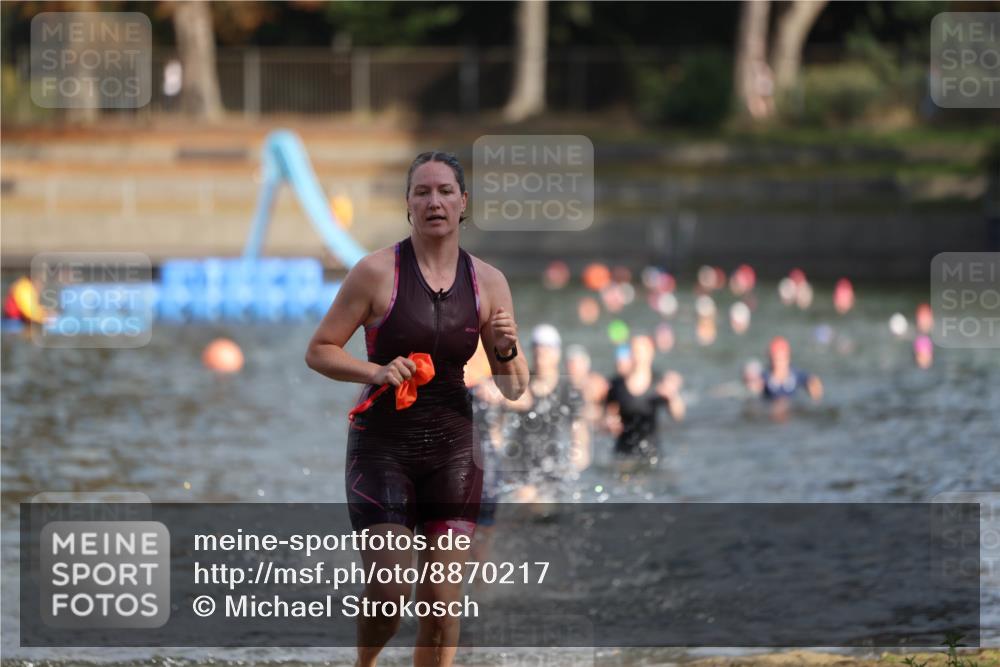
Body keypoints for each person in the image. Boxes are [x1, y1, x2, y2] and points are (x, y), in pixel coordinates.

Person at [305, 150, 528, 667]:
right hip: (382, 445)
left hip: (454, 447)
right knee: (389, 592)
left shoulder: (488, 282)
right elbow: (319, 350)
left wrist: (509, 348)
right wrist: (375, 371)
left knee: (442, 606)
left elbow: (514, 388)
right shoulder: (375, 272)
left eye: (445, 191)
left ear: (463, 203)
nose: (434, 201)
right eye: (422, 192)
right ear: (408, 205)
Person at [502, 324, 587, 501]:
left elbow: (579, 425)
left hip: (553, 466)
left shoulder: (568, 390)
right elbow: (497, 419)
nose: (541, 352)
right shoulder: (520, 386)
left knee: (545, 506)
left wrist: (580, 449)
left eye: (546, 348)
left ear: (557, 353)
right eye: (537, 348)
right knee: (524, 500)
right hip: (522, 465)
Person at [603, 334, 685, 467]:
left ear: (651, 352)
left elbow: (678, 416)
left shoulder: (660, 382)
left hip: (652, 454)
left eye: (642, 350)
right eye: (635, 350)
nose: (638, 355)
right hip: (623, 454)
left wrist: (673, 396)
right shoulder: (617, 384)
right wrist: (609, 424)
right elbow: (608, 416)